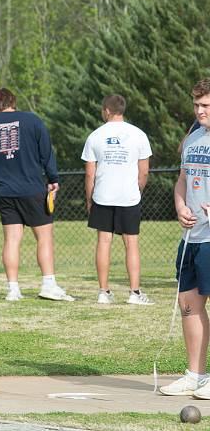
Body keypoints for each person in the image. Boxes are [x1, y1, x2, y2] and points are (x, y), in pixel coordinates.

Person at [0, 88, 74, 302]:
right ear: (13, 101)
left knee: (12, 239)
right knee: (44, 237)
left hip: (4, 190)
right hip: (32, 188)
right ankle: (48, 284)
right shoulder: (32, 120)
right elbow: (46, 152)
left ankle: (13, 289)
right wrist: (53, 179)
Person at [160, 78, 210, 397]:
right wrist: (180, 205)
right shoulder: (193, 140)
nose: (200, 110)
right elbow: (182, 180)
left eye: (206, 105)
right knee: (188, 302)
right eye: (197, 105)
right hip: (192, 237)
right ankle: (196, 375)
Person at [81, 94, 153, 305]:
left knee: (104, 242)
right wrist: (137, 191)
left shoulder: (95, 136)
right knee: (131, 243)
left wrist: (89, 199)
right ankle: (135, 293)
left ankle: (104, 292)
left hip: (102, 195)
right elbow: (144, 172)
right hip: (129, 197)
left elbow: (89, 175)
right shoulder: (139, 135)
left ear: (106, 111)